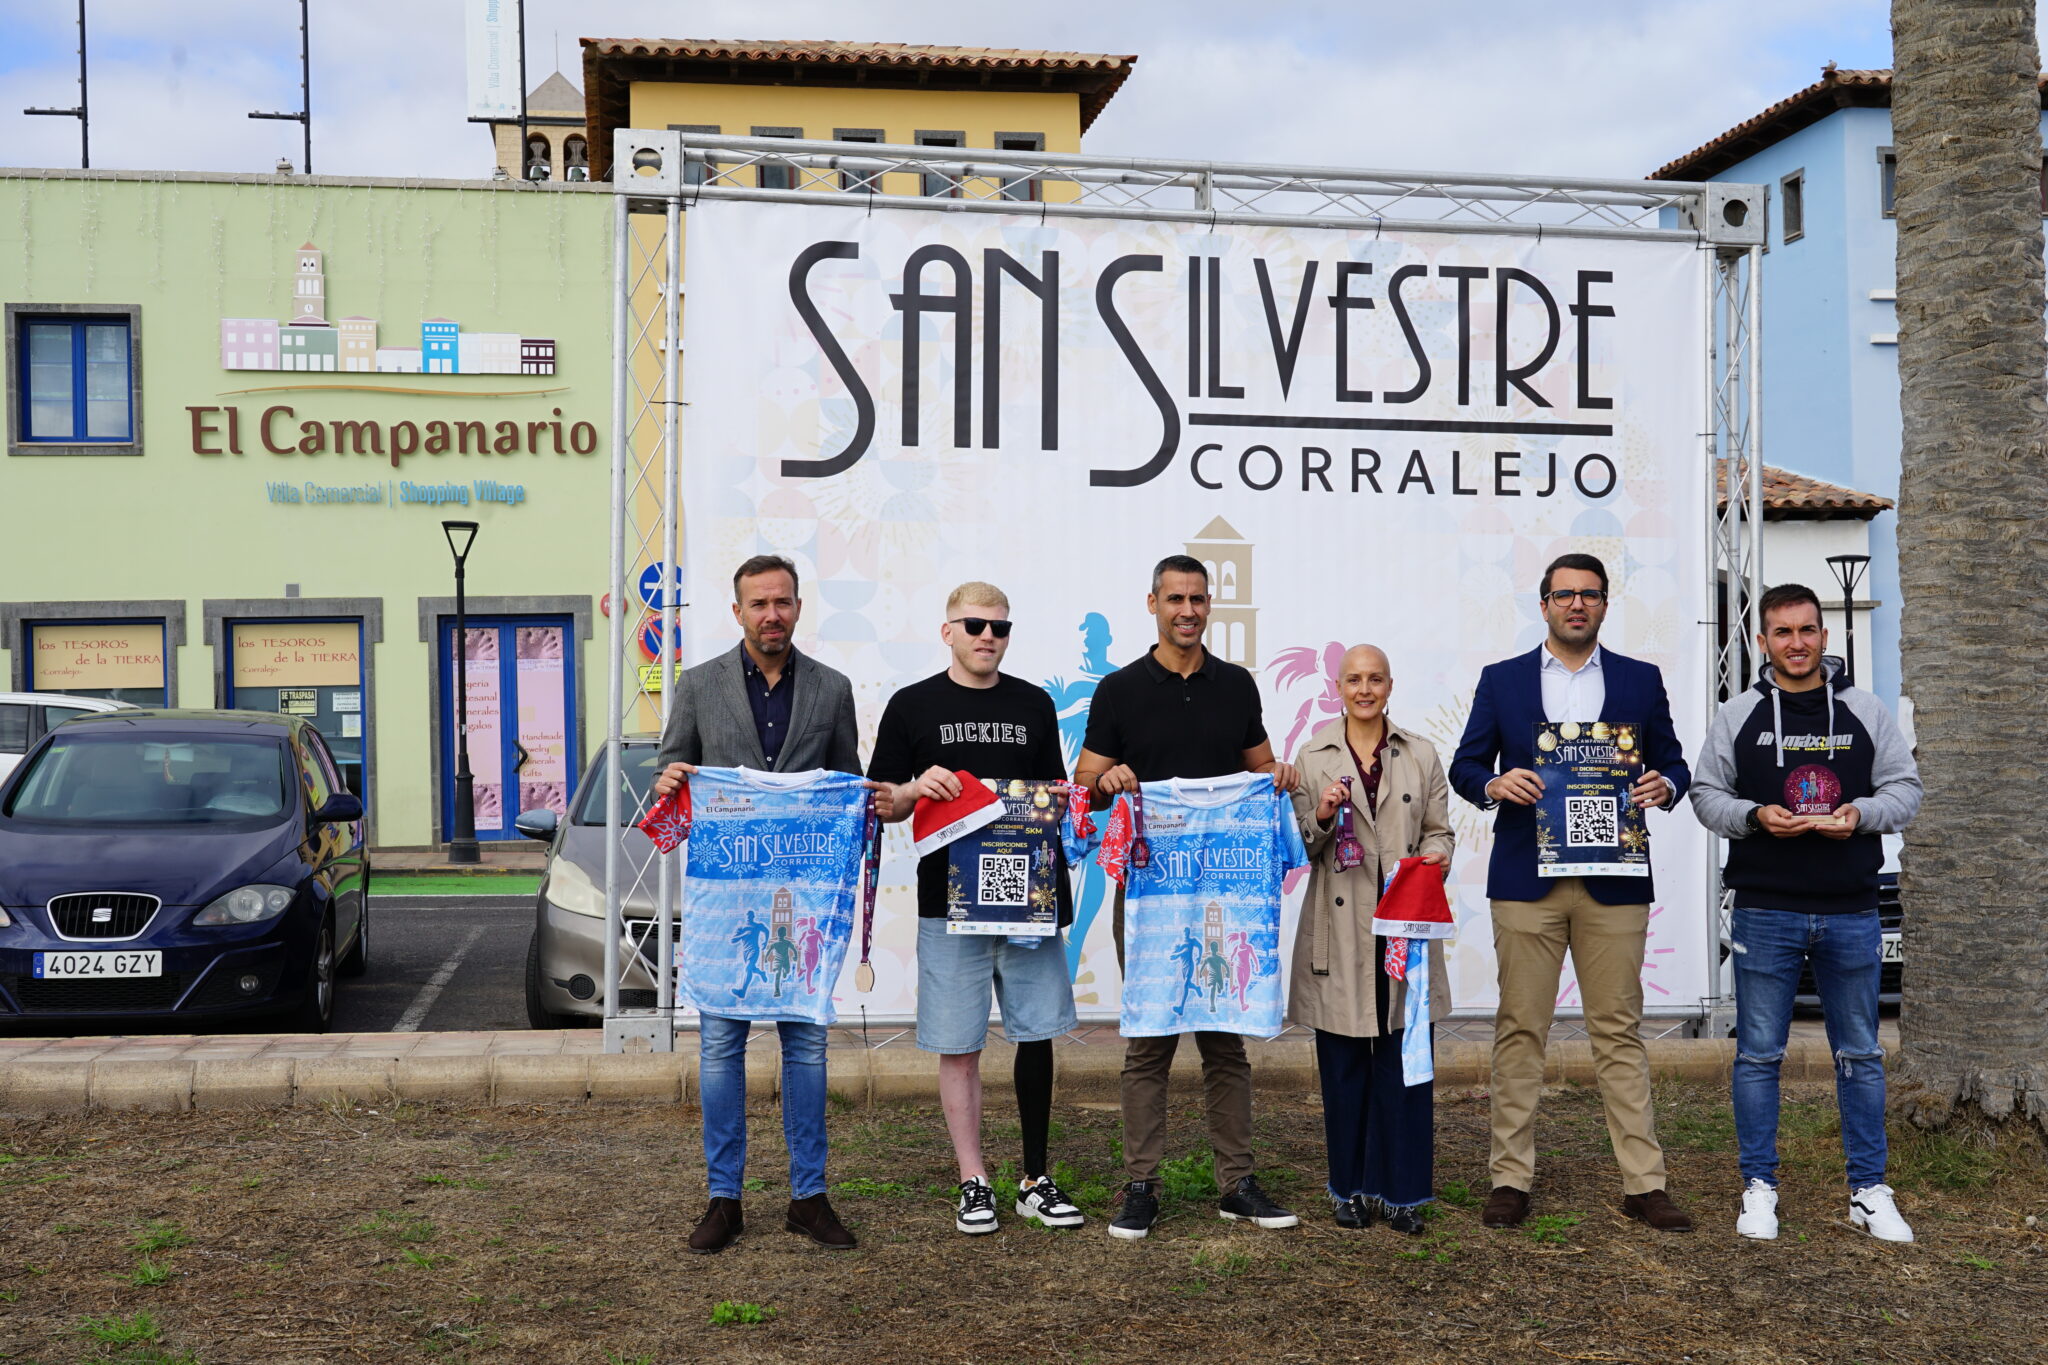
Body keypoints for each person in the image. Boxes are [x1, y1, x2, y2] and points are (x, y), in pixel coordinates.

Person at [1449, 553, 1694, 1233]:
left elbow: (1673, 761)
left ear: (1606, 604)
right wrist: (1494, 783)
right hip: (1526, 878)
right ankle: (1509, 1177)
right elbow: (1465, 765)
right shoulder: (1502, 680)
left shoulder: (1641, 679)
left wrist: (1666, 784)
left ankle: (1645, 1184)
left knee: (1618, 1031)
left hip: (1615, 879)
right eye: (1564, 594)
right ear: (1544, 604)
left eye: (1589, 594)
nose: (1577, 604)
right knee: (1520, 1029)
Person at [1075, 554, 1302, 1240]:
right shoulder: (1118, 689)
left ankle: (1237, 1184)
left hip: (1224, 893)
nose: (1187, 610)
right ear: (1153, 604)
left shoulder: (1235, 685)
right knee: (1149, 1041)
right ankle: (1141, 1184)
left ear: (1209, 605)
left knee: (1225, 1042)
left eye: (1198, 599)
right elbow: (1082, 787)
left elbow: (1262, 769)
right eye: (1175, 598)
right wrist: (1108, 779)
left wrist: (1280, 776)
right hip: (1148, 892)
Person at [1688, 583, 1923, 1243]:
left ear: (1824, 635)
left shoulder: (1864, 710)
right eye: (1783, 632)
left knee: (1862, 1054)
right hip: (1766, 909)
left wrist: (1861, 814)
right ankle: (1758, 1187)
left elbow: (1905, 789)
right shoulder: (1738, 714)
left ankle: (1868, 1190)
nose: (1797, 642)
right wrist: (1754, 816)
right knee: (1758, 1055)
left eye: (1807, 630)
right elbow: (1706, 794)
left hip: (1851, 908)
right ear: (1762, 641)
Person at [653, 554, 863, 1255]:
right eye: (759, 603)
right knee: (720, 1047)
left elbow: (847, 786)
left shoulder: (832, 689)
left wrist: (867, 803)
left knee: (807, 1045)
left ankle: (809, 1197)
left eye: (783, 602)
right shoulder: (697, 685)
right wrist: (668, 782)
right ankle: (724, 1199)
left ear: (798, 607)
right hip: (727, 901)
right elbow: (670, 776)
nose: (772, 614)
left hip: (803, 899)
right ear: (738, 610)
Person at [867, 582, 1087, 1236]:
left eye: (1000, 626)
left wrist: (1065, 807)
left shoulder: (1034, 703)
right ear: (948, 631)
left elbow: (1053, 795)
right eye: (974, 625)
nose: (988, 635)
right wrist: (915, 787)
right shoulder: (912, 704)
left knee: (1036, 1034)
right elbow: (881, 803)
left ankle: (1035, 1179)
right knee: (958, 1044)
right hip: (947, 901)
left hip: (1027, 898)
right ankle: (974, 1178)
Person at [1289, 645, 1454, 1235]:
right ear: (1338, 687)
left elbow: (1439, 832)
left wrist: (1433, 858)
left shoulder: (1421, 753)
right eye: (1354, 679)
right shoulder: (1311, 756)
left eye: (1375, 679)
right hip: (1339, 932)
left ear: (1390, 685)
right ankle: (1349, 1190)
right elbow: (1300, 844)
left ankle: (1403, 1194)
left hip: (1404, 930)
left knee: (1404, 1067)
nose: (1365, 689)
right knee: (1343, 1073)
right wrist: (1323, 814)